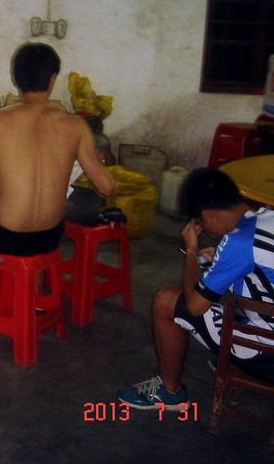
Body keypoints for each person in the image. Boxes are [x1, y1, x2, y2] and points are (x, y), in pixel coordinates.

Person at [0, 43, 114, 320]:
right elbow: (107, 187)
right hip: (49, 237)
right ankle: (36, 300)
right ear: (52, 79)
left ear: (16, 78)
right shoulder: (75, 125)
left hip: (6, 235)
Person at [117, 168, 274, 410]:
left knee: (167, 301)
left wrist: (191, 250)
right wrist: (221, 259)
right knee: (230, 294)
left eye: (199, 223)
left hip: (269, 354)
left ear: (209, 215)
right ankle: (228, 354)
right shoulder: (267, 218)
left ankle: (169, 391)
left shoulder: (238, 242)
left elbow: (195, 306)